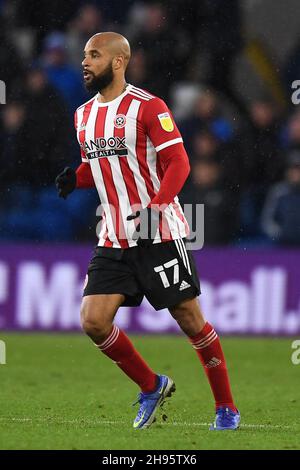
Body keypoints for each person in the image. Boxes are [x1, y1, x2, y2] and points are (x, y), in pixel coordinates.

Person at [55, 32, 240, 430]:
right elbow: (104, 166)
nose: (84, 62)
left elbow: (179, 163)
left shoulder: (148, 106)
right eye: (84, 55)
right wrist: (76, 178)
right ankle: (151, 385)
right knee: (93, 320)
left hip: (159, 232)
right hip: (114, 234)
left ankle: (226, 407)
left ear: (119, 62)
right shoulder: (82, 115)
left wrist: (156, 208)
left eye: (94, 55)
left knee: (190, 319)